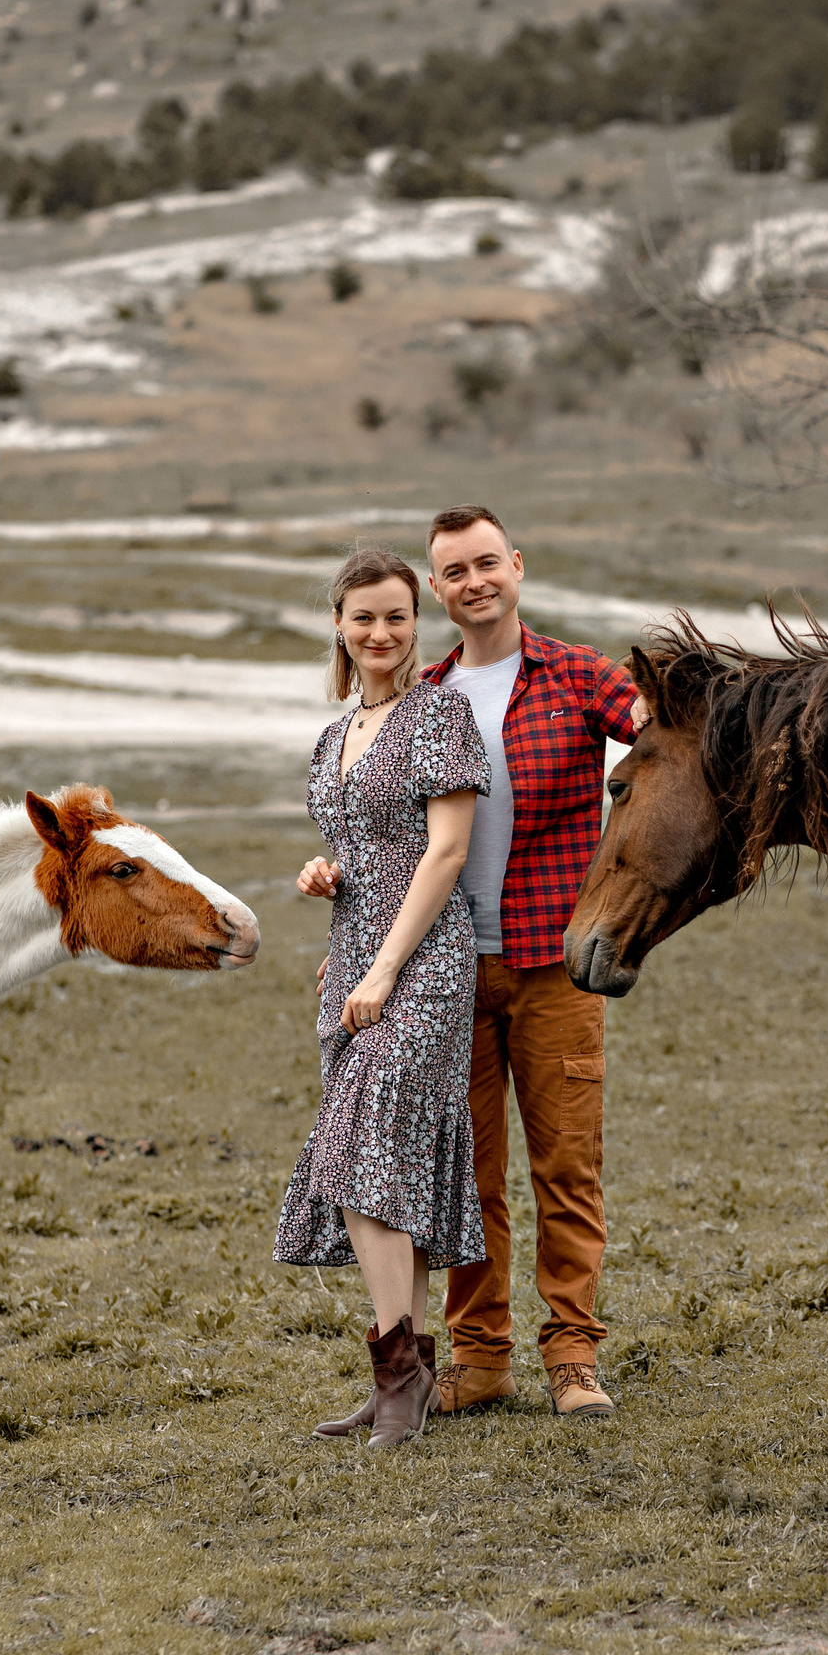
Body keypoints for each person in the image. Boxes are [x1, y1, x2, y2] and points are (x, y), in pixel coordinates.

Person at [418, 504, 642, 1420]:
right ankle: (478, 1357)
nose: (474, 582)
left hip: (554, 967)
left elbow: (665, 744)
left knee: (565, 1168)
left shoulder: (584, 678)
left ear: (517, 566)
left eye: (487, 563)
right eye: (454, 571)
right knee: (468, 1178)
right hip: (449, 975)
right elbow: (397, 831)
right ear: (438, 589)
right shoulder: (422, 699)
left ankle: (573, 1355)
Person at [276, 547, 490, 1449]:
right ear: (338, 622)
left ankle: (401, 1378)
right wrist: (326, 874)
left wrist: (385, 968)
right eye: (363, 616)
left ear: (418, 621)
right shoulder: (335, 737)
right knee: (371, 1163)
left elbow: (444, 853)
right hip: (354, 959)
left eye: (397, 616)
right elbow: (363, 844)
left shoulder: (440, 712)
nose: (380, 632)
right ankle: (400, 1370)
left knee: (370, 1146)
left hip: (424, 964)